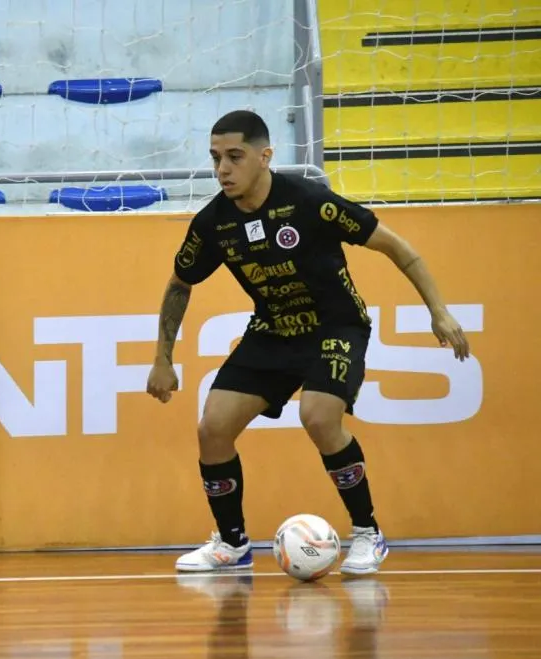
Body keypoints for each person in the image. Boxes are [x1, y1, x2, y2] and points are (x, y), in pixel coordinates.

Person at [146, 110, 469, 576]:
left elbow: (399, 248)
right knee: (211, 429)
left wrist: (438, 310)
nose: (223, 169)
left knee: (317, 416)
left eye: (235, 157)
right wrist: (162, 359)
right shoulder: (212, 223)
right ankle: (233, 545)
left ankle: (367, 533)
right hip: (273, 330)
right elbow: (180, 283)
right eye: (216, 158)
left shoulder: (310, 202)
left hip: (335, 326)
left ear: (265, 156)